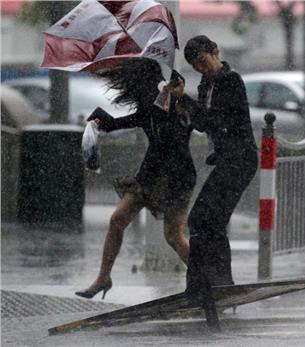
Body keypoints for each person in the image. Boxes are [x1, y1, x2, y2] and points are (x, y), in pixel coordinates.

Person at [75, 59, 196, 299]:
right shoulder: (147, 108)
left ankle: (207, 279)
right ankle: (103, 278)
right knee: (117, 220)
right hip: (150, 174)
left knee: (173, 236)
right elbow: (119, 123)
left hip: (177, 176)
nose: (139, 93)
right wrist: (100, 121)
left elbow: (190, 123)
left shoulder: (176, 102)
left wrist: (178, 95)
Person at [165, 35, 258, 293]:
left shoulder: (231, 81)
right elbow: (201, 124)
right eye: (196, 66)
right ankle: (214, 284)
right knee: (210, 221)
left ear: (216, 52)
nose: (201, 69)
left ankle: (210, 284)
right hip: (227, 159)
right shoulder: (205, 85)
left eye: (204, 61)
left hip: (240, 159)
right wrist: (179, 104)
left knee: (201, 218)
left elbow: (216, 120)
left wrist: (186, 100)